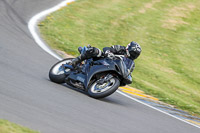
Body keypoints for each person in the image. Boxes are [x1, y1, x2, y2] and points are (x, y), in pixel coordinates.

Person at [71, 41, 141, 84]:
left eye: (135, 54)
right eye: (133, 53)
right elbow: (107, 48)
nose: (133, 55)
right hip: (105, 59)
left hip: (113, 69)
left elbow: (129, 72)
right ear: (129, 49)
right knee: (95, 51)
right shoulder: (121, 49)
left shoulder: (132, 64)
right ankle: (76, 61)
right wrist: (108, 52)